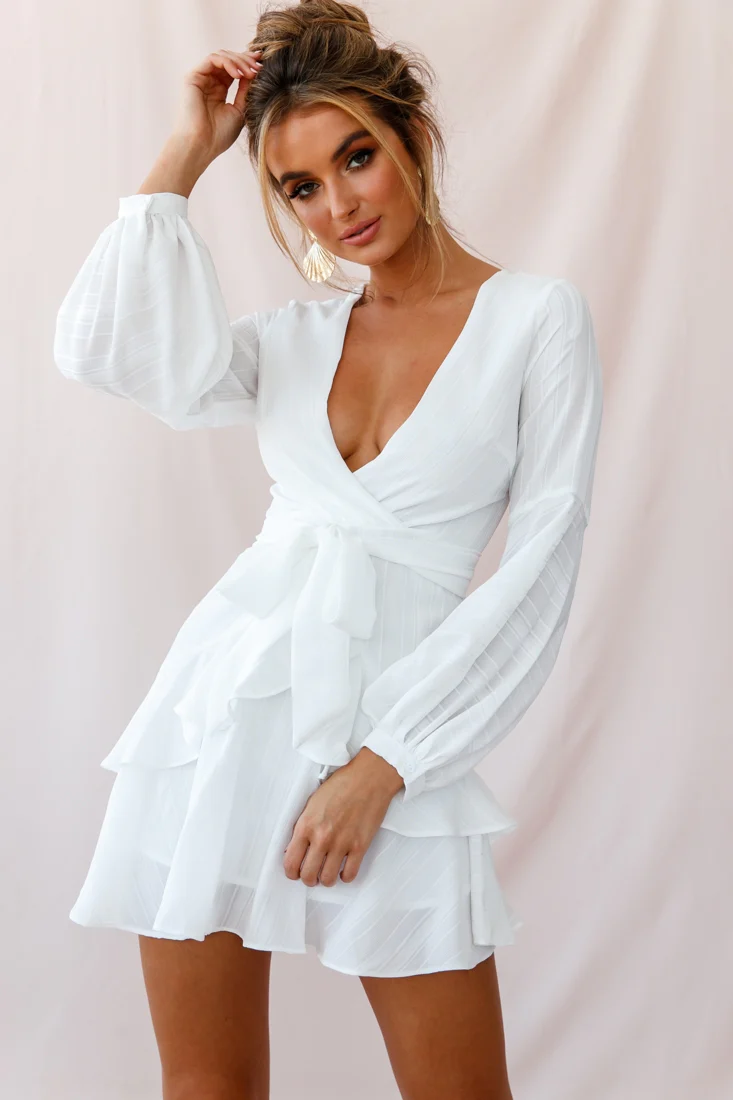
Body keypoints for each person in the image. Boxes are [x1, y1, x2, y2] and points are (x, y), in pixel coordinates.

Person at [53, 2, 603, 1097]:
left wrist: (387, 763)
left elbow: (542, 563)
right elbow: (106, 352)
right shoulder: (289, 344)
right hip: (216, 729)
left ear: (413, 139)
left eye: (356, 157)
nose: (338, 204)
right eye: (300, 185)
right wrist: (186, 155)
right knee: (205, 1088)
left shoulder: (535, 319)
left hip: (399, 750)